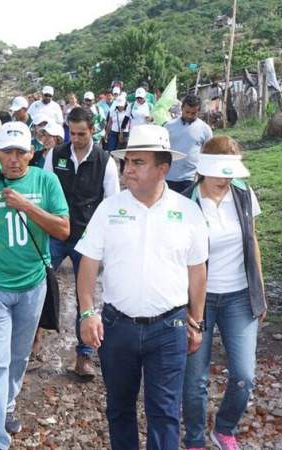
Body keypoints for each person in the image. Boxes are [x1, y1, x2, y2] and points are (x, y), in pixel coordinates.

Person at [75, 124, 208, 450]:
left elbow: (198, 272)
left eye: (138, 162)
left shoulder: (188, 212)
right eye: (127, 161)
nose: (128, 169)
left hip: (169, 328)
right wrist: (87, 312)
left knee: (164, 412)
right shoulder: (109, 210)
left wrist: (197, 320)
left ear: (163, 168)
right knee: (119, 408)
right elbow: (88, 264)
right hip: (117, 327)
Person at [0, 121, 69, 450]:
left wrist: (26, 206)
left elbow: (63, 230)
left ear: (32, 153)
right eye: (7, 152)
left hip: (32, 286)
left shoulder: (46, 181)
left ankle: (5, 405)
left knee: (18, 357)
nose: (14, 159)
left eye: (21, 152)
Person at [181, 136, 266, 450]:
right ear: (204, 167)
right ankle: (193, 439)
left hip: (239, 297)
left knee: (244, 375)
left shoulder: (243, 194)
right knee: (195, 381)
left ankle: (224, 428)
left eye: (231, 171)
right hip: (198, 301)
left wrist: (259, 290)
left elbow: (252, 241)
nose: (226, 178)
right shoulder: (186, 201)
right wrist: (186, 310)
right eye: (220, 170)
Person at [41, 107, 120, 379]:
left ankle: (84, 355)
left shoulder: (105, 161)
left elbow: (111, 204)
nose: (76, 139)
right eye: (72, 133)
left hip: (87, 237)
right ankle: (32, 337)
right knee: (36, 281)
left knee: (85, 295)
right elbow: (45, 189)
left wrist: (107, 242)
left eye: (82, 134)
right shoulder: (56, 154)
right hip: (56, 231)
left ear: (93, 130)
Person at [165, 94, 214, 193]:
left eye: (193, 113)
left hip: (191, 178)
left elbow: (209, 154)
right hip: (169, 177)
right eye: (187, 112)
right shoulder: (169, 126)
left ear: (198, 111)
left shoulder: (205, 129)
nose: (189, 116)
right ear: (181, 108)